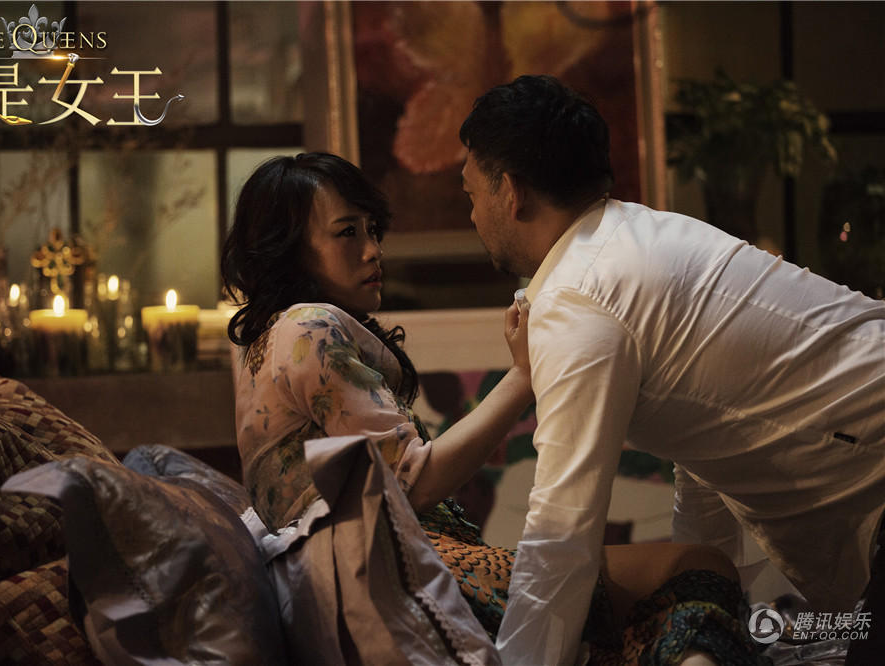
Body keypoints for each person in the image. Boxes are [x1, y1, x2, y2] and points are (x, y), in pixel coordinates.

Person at [222, 152, 768, 665]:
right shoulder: (309, 329)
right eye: (347, 233)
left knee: (661, 589)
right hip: (411, 575)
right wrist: (523, 376)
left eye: (372, 229)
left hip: (382, 573)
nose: (372, 250)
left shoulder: (272, 338)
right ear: (288, 248)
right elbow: (414, 482)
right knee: (697, 565)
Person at [458, 74, 885, 665]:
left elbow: (562, 529)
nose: (473, 215)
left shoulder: (576, 297)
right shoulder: (641, 234)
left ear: (510, 191)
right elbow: (699, 444)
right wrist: (703, 599)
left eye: (471, 194)